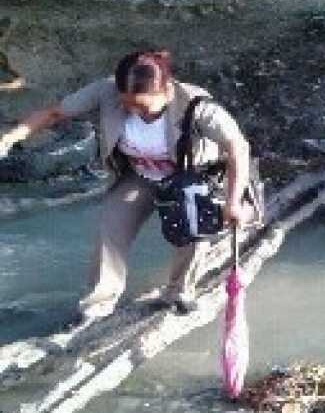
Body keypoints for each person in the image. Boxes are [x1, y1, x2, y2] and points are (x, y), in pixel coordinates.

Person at [0, 49, 250, 320]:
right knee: (110, 225)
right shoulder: (106, 91)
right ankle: (97, 306)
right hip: (138, 176)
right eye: (126, 104)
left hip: (189, 180)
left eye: (141, 106)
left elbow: (237, 148)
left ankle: (178, 291)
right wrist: (9, 139)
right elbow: (53, 113)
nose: (132, 110)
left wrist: (232, 202)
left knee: (192, 230)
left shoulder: (196, 105)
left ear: (165, 90)